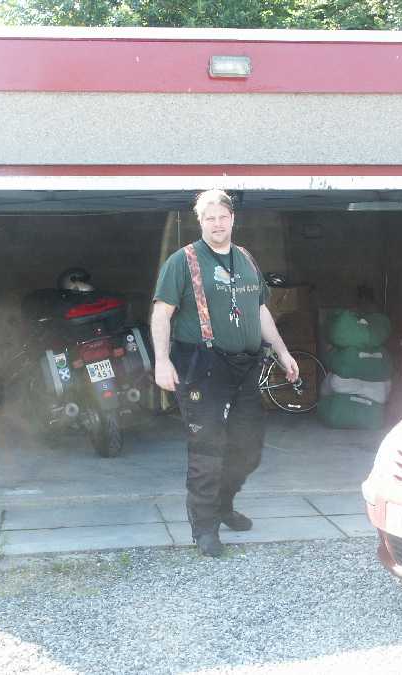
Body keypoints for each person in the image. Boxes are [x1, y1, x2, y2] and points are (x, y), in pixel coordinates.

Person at [151, 189, 299, 557]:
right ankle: (204, 529)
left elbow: (260, 310)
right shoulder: (183, 261)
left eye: (222, 216)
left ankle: (222, 505)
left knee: (248, 446)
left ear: (233, 219)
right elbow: (161, 314)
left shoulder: (246, 258)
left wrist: (282, 351)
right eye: (210, 218)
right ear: (200, 222)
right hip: (201, 365)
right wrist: (162, 361)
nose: (217, 224)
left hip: (245, 365)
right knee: (208, 449)